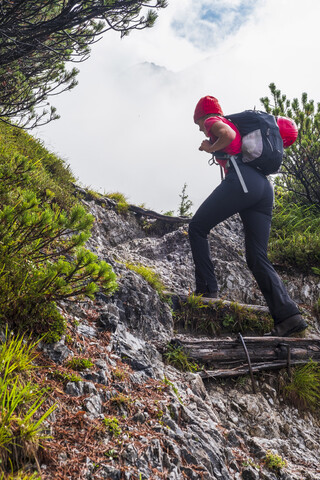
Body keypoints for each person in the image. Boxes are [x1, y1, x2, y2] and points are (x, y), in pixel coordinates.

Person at [188, 95, 308, 337]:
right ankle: (289, 317)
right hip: (263, 188)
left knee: (197, 228)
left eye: (198, 123)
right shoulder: (242, 129)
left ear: (203, 115)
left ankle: (207, 291)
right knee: (257, 256)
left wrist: (209, 147)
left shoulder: (213, 120)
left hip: (243, 182)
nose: (201, 127)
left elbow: (228, 136)